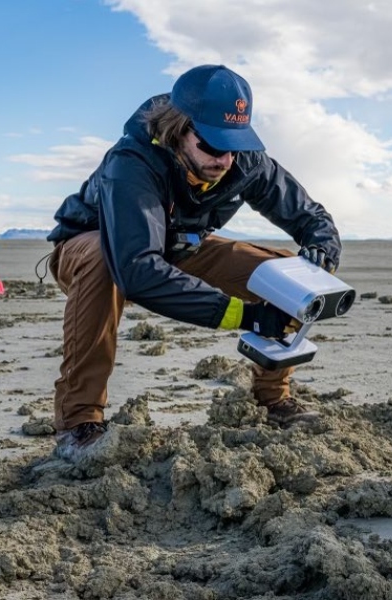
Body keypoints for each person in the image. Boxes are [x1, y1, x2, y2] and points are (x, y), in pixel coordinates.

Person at [45, 64, 341, 460]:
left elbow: (311, 217)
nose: (226, 160)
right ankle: (78, 422)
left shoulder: (246, 161)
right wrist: (247, 316)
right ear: (179, 129)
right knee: (103, 260)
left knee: (286, 275)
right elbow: (136, 269)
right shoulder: (132, 162)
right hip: (100, 248)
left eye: (234, 145)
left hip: (183, 247)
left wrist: (322, 250)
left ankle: (273, 399)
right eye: (214, 146)